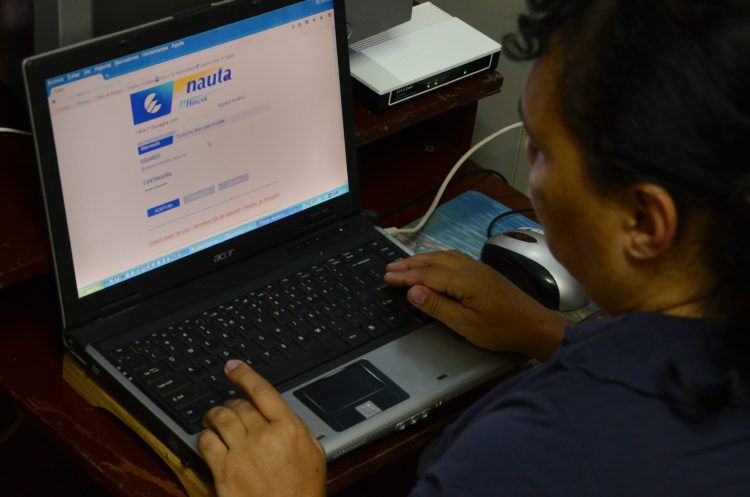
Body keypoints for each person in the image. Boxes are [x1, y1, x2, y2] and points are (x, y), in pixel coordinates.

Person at [196, 0, 750, 495]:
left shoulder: (519, 457)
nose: (530, 167)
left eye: (544, 150)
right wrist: (547, 333)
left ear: (646, 221)